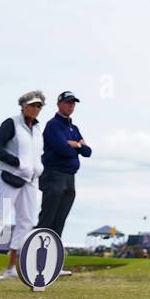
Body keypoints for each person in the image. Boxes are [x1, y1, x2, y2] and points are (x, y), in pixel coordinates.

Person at [0, 91, 45, 281]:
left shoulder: (38, 130)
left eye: (39, 106)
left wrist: (38, 166)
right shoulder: (11, 123)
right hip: (9, 176)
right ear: (23, 106)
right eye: (32, 105)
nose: (35, 109)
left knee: (27, 222)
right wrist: (15, 162)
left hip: (30, 180)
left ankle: (12, 268)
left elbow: (38, 153)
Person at [38, 91, 91, 244]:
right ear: (59, 104)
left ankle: (52, 263)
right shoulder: (53, 125)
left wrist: (76, 144)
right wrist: (75, 145)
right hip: (54, 174)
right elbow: (63, 149)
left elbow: (87, 152)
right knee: (48, 219)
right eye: (67, 102)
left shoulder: (73, 128)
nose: (70, 106)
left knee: (60, 220)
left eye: (73, 103)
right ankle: (33, 258)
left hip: (69, 177)